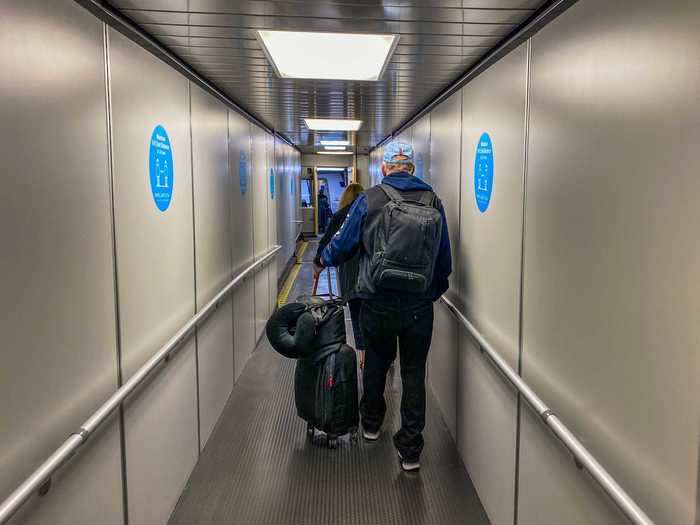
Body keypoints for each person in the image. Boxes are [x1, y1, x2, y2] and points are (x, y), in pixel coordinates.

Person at [318, 141, 452, 472]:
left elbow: (344, 244)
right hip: (418, 307)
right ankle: (410, 452)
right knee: (413, 374)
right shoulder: (433, 201)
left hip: (376, 301)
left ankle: (372, 425)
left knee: (376, 364)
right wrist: (429, 293)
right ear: (413, 169)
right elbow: (443, 260)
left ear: (385, 168)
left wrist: (324, 259)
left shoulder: (370, 199)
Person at [313, 183, 366, 366]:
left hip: (350, 273)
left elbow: (327, 241)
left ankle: (363, 356)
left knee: (357, 314)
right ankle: (379, 355)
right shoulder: (371, 213)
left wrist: (319, 261)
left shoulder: (340, 215)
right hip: (371, 273)